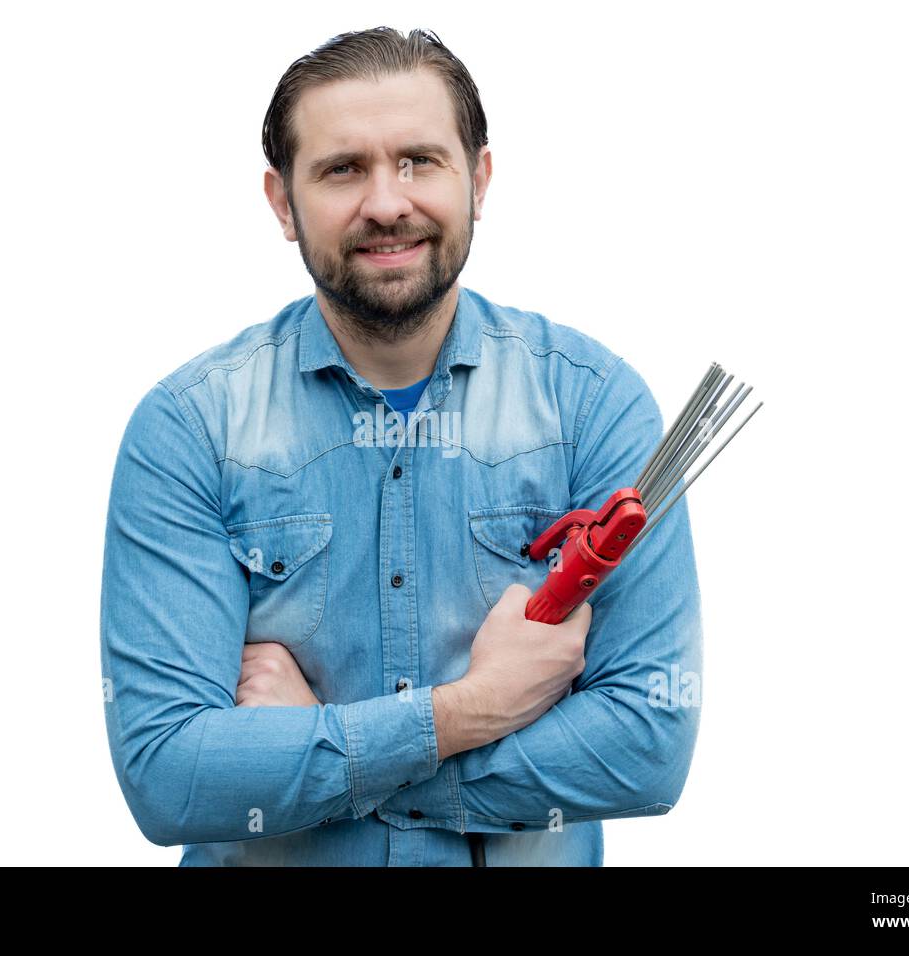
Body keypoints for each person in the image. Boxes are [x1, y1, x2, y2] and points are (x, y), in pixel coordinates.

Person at [99, 26, 703, 866]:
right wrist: (471, 710)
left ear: (478, 179)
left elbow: (646, 748)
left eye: (419, 160)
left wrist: (317, 751)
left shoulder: (593, 406)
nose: (388, 202)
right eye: (343, 168)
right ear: (282, 202)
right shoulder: (190, 430)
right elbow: (170, 779)